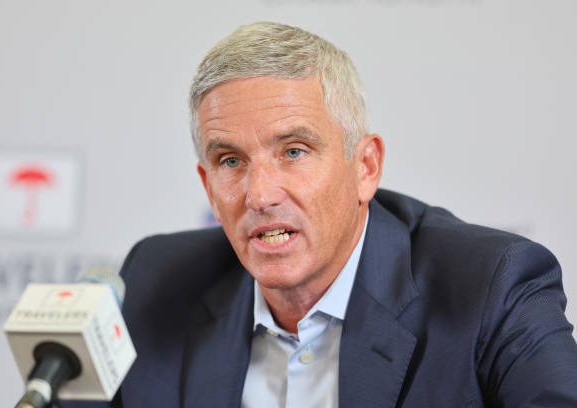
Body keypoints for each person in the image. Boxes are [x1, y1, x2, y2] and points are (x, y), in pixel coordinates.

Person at [65, 22, 577, 408]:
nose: (260, 194)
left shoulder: (490, 286)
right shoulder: (155, 281)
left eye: (294, 151)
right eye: (230, 161)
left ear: (365, 166)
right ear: (208, 186)